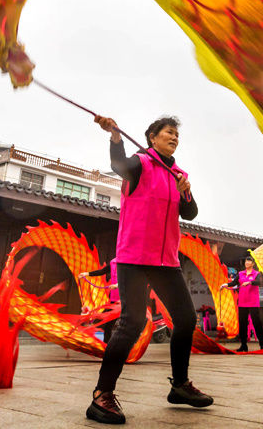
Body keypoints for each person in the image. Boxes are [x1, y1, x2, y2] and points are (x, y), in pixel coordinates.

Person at [86, 115, 213, 425]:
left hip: (166, 260)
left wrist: (186, 190)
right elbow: (119, 165)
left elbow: (191, 213)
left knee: (185, 319)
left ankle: (180, 386)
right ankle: (101, 395)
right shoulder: (140, 163)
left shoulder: (178, 173)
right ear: (153, 137)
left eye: (176, 135)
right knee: (130, 323)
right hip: (134, 256)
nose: (174, 138)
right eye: (169, 133)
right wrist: (115, 137)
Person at [221, 256, 263, 352]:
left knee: (257, 323)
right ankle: (243, 345)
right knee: (242, 324)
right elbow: (234, 283)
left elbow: (259, 282)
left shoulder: (256, 274)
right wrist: (226, 285)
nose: (247, 263)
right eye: (246, 261)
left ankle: (262, 345)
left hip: (253, 303)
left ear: (253, 264)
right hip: (242, 302)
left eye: (249, 261)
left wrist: (249, 282)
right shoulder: (241, 274)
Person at [79, 258, 119, 342]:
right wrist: (86, 273)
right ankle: (106, 347)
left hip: (125, 300)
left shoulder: (128, 263)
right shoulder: (113, 262)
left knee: (125, 326)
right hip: (114, 300)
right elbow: (102, 271)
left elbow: (130, 279)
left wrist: (117, 285)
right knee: (108, 324)